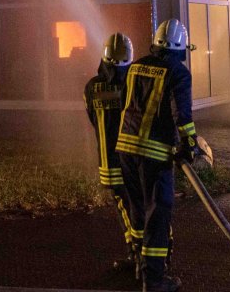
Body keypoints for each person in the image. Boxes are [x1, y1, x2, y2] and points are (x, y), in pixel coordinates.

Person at [116, 19, 201, 292]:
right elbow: (182, 113)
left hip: (126, 149)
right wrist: (189, 144)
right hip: (154, 153)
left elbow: (126, 104)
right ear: (181, 47)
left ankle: (140, 265)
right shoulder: (178, 72)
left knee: (138, 209)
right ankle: (153, 280)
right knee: (158, 213)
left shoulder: (136, 66)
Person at [84, 32, 140, 266]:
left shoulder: (92, 87)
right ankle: (143, 257)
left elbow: (92, 118)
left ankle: (134, 253)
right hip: (133, 159)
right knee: (138, 205)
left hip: (108, 161)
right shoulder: (134, 84)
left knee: (123, 207)